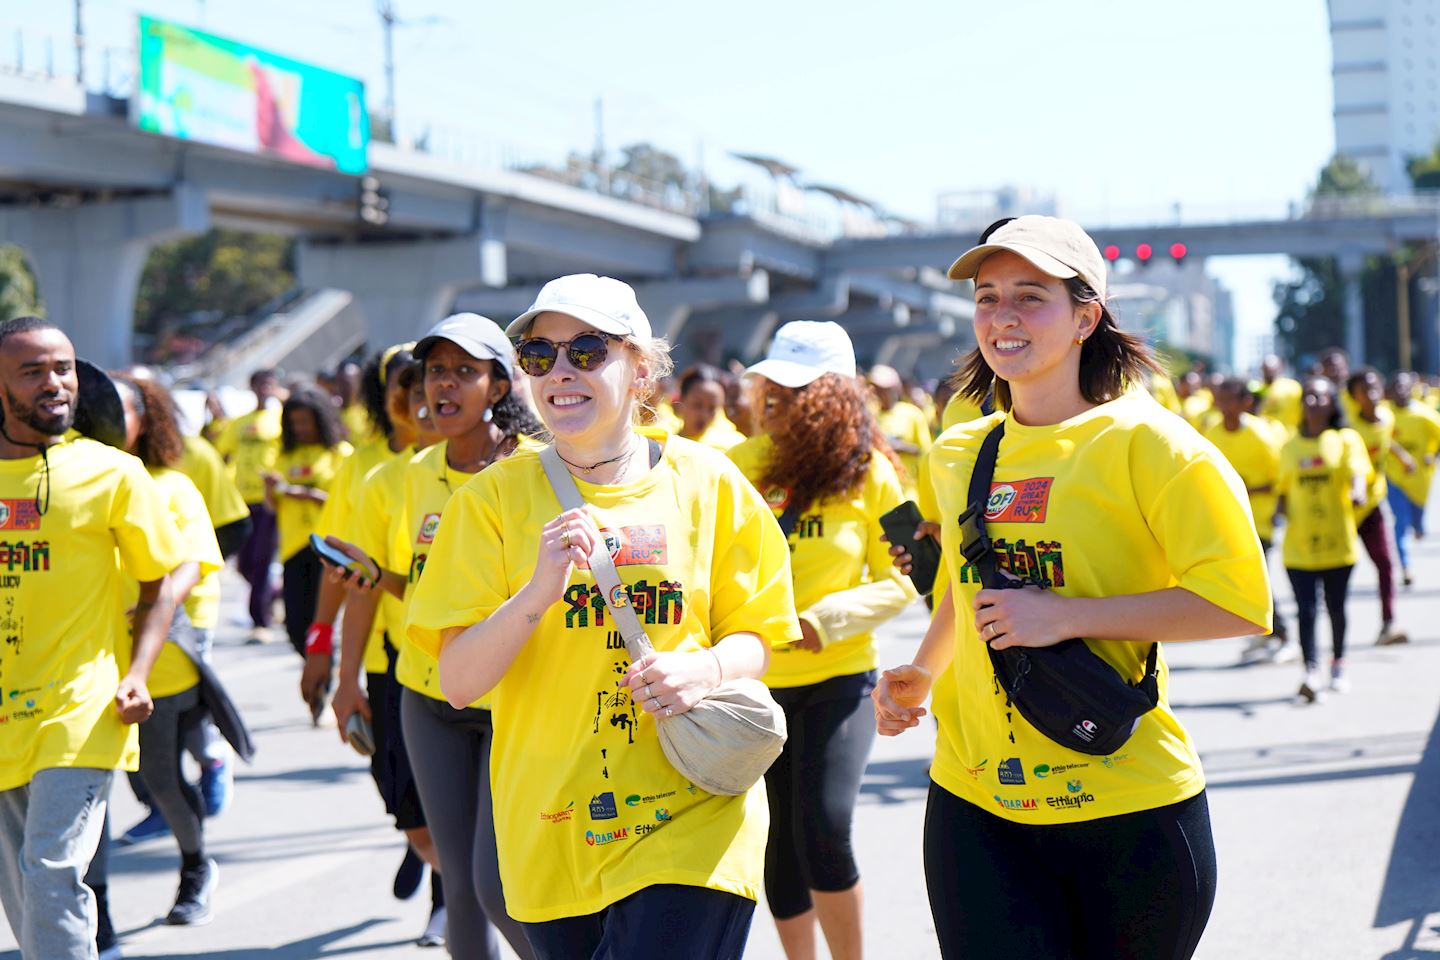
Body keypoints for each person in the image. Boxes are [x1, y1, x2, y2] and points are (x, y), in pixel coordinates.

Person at [873, 217, 1271, 960]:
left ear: (1086, 316)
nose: (1003, 317)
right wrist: (921, 673)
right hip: (974, 798)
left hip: (1128, 805)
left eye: (1031, 297)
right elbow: (968, 589)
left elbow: (1237, 604)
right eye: (988, 298)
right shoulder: (960, 451)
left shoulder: (1156, 447)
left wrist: (1065, 617)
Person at [407, 274, 801, 960]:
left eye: (587, 351)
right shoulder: (490, 502)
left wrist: (702, 668)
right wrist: (535, 593)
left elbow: (761, 638)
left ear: (640, 367)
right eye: (539, 356)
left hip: (694, 811)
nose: (560, 372)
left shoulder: (708, 482)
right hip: (554, 828)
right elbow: (459, 682)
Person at [331, 312, 543, 960]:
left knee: (497, 888)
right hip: (426, 695)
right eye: (435, 372)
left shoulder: (543, 472)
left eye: (464, 372)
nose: (442, 386)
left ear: (499, 388)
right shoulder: (397, 479)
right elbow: (393, 586)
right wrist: (344, 680)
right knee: (459, 883)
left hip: (519, 701)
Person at [730, 321, 916, 960]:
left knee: (825, 830)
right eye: (772, 382)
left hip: (840, 683)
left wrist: (826, 618)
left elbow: (908, 579)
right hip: (753, 689)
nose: (776, 395)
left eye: (796, 386)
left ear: (834, 394)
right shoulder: (740, 465)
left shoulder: (877, 473)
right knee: (778, 846)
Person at [0, 318, 184, 960]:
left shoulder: (112, 474)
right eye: (33, 371)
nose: (55, 383)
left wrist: (137, 672)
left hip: (84, 707)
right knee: (23, 900)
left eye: (64, 368)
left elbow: (158, 583)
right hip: (5, 713)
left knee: (51, 875)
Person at [326, 351, 451, 947]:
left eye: (451, 377)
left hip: (478, 678)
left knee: (465, 825)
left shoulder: (509, 469)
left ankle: (450, 902)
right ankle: (440, 864)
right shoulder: (377, 475)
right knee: (411, 810)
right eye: (417, 383)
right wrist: (332, 663)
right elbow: (361, 578)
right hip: (395, 665)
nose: (431, 394)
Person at [106, 373, 223, 924]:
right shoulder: (72, 480)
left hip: (158, 663)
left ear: (144, 420)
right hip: (84, 664)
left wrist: (155, 605)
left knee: (158, 778)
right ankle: (94, 910)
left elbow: (192, 563)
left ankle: (196, 867)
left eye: (118, 408)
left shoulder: (171, 486)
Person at [1275, 377, 1372, 700]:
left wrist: (1357, 491)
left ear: (1332, 403)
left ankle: (1339, 664)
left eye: (1321, 396)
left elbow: (1358, 472)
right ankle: (1311, 671)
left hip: (1338, 544)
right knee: (1306, 610)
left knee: (1336, 608)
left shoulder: (1345, 439)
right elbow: (1283, 492)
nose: (1314, 402)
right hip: (1299, 548)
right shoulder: (1290, 446)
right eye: (1309, 396)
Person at [1202, 378, 1289, 661]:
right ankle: (1268, 633)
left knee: (1255, 579)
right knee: (1243, 581)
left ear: (1246, 403)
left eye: (1230, 400)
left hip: (1260, 521)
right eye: (1220, 400)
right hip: (1226, 521)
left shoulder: (1261, 435)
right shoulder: (1213, 434)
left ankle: (1284, 634)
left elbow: (1280, 480)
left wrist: (1246, 490)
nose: (1224, 406)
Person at [264, 385, 351, 661]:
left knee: (322, 623)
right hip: (293, 548)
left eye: (305, 421)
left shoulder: (342, 455)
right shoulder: (284, 456)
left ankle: (323, 676)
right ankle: (318, 667)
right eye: (294, 422)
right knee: (294, 626)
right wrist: (271, 488)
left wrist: (306, 494)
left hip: (328, 549)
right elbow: (271, 504)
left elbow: (348, 503)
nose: (299, 427)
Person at [214, 370, 283, 644]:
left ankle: (260, 622)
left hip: (269, 499)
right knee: (244, 563)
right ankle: (273, 593)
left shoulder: (280, 421)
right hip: (241, 499)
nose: (265, 389)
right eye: (260, 384)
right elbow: (223, 452)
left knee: (263, 559)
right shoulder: (239, 423)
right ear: (252, 388)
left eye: (270, 384)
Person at [1345, 368, 1409, 646]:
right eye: (1363, 390)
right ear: (1354, 397)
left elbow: (1384, 440)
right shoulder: (1347, 430)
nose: (1371, 394)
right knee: (1339, 572)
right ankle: (1336, 636)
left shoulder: (1387, 417)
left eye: (1374, 387)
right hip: (1345, 510)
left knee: (1385, 563)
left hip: (1372, 505)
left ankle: (1388, 623)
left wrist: (1402, 455)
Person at [1385, 372, 1440, 587]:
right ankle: (1405, 567)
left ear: (1411, 389)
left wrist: (1433, 454)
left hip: (1420, 480)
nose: (1400, 390)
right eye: (1396, 386)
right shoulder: (1384, 416)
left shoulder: (1424, 414)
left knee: (1416, 523)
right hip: (1394, 479)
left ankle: (1418, 524)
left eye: (1404, 386)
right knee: (1400, 522)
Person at [868, 363, 931, 500]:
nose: (877, 393)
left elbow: (925, 453)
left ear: (895, 388)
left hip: (908, 489)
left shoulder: (912, 414)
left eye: (883, 389)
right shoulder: (870, 415)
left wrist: (899, 446)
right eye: (875, 388)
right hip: (880, 489)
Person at [674, 364, 745, 450]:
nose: (704, 415)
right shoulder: (662, 440)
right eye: (697, 405)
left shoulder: (732, 447)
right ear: (682, 399)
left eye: (712, 408)